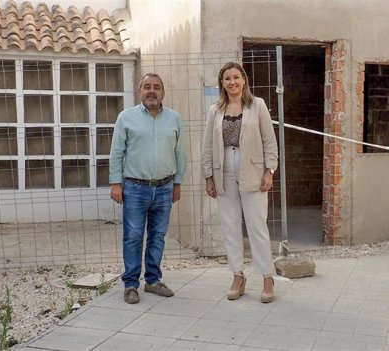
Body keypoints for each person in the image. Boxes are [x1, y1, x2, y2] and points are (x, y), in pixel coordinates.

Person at [201, 62, 278, 303]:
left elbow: (269, 141)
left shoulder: (257, 105)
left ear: (243, 80)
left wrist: (270, 171)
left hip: (252, 170)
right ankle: (237, 276)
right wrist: (208, 176)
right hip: (223, 168)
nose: (232, 82)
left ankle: (267, 277)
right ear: (221, 83)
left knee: (257, 225)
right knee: (230, 226)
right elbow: (207, 145)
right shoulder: (215, 110)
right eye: (227, 79)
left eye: (236, 77)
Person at [109, 73, 186, 304]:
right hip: (134, 187)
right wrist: (116, 183)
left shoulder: (174, 118)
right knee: (132, 237)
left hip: (165, 187)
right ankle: (131, 284)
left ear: (163, 92)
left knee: (158, 237)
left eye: (157, 87)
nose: (152, 91)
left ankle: (152, 281)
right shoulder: (126, 117)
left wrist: (178, 182)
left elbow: (179, 152)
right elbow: (116, 152)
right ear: (140, 90)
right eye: (147, 87)